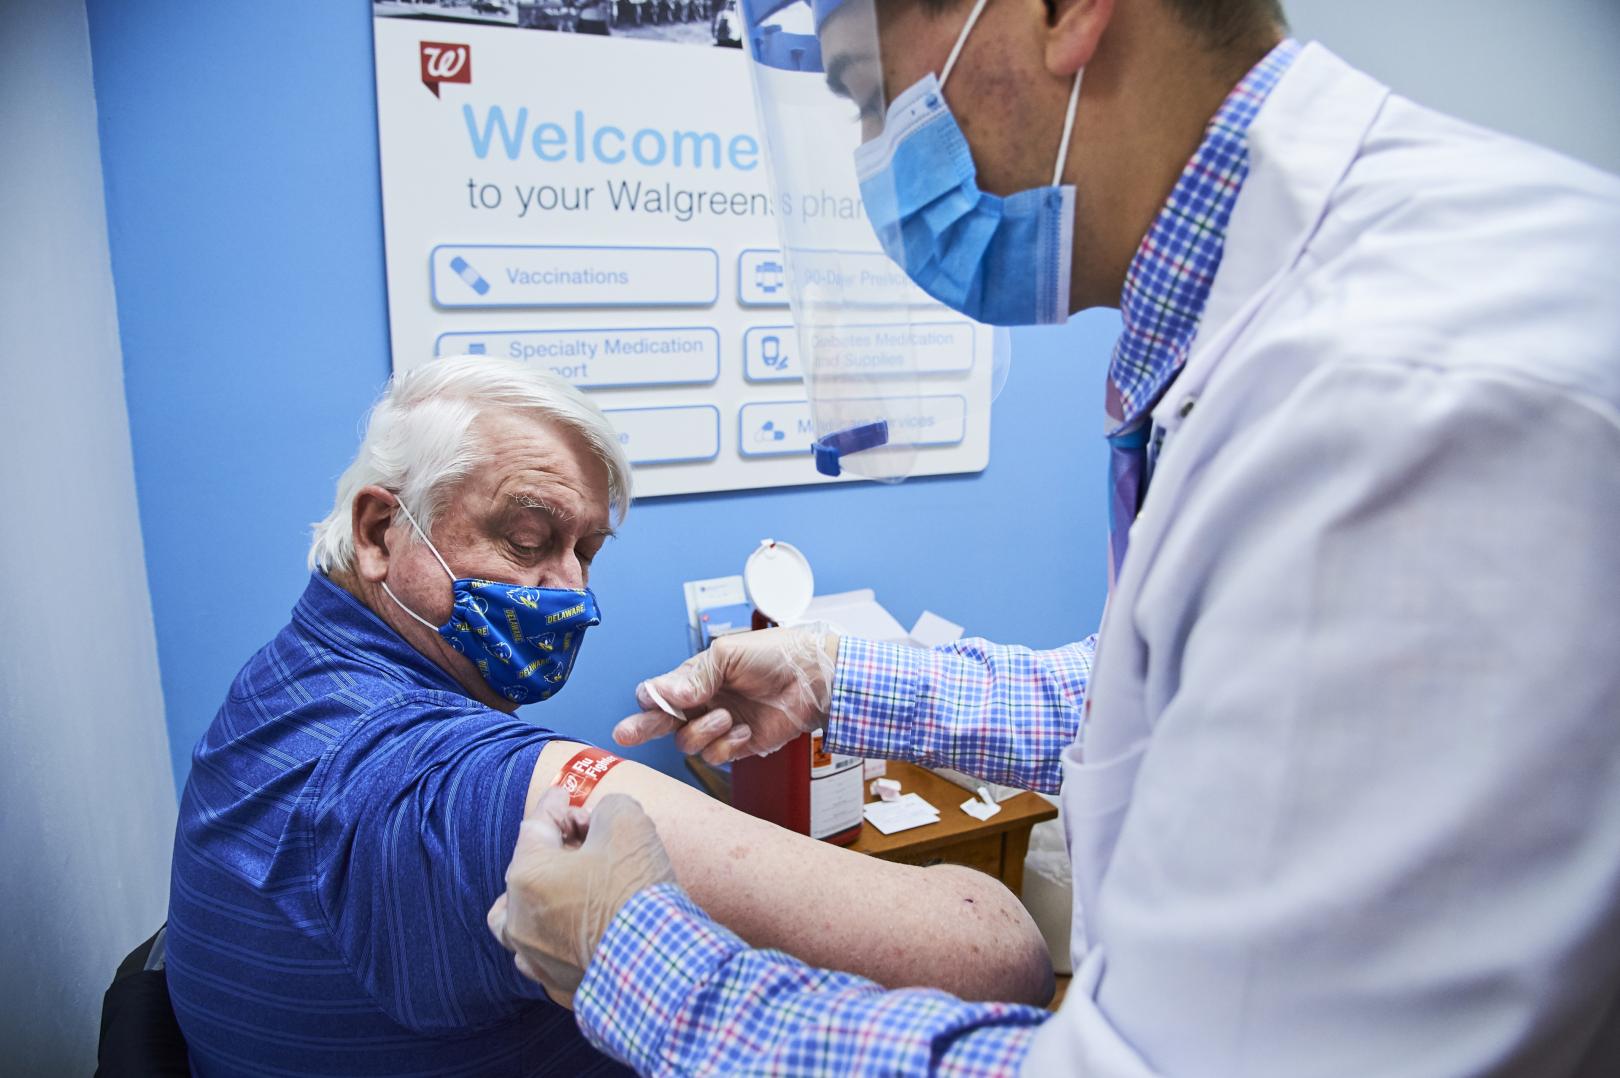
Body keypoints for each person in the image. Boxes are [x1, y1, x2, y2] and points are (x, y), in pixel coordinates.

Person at [485, 0, 1620, 1073]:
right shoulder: (1261, 322)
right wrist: (830, 677)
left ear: (1063, 10)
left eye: (873, 98)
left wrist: (642, 964)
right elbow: (1168, 699)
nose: (880, 161)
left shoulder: (1403, 395)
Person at [163, 356, 1052, 1077]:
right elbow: (993, 956)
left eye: (587, 551)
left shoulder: (282, 688)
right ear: (378, 531)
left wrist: (831, 678)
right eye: (527, 538)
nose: (573, 593)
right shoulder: (456, 789)